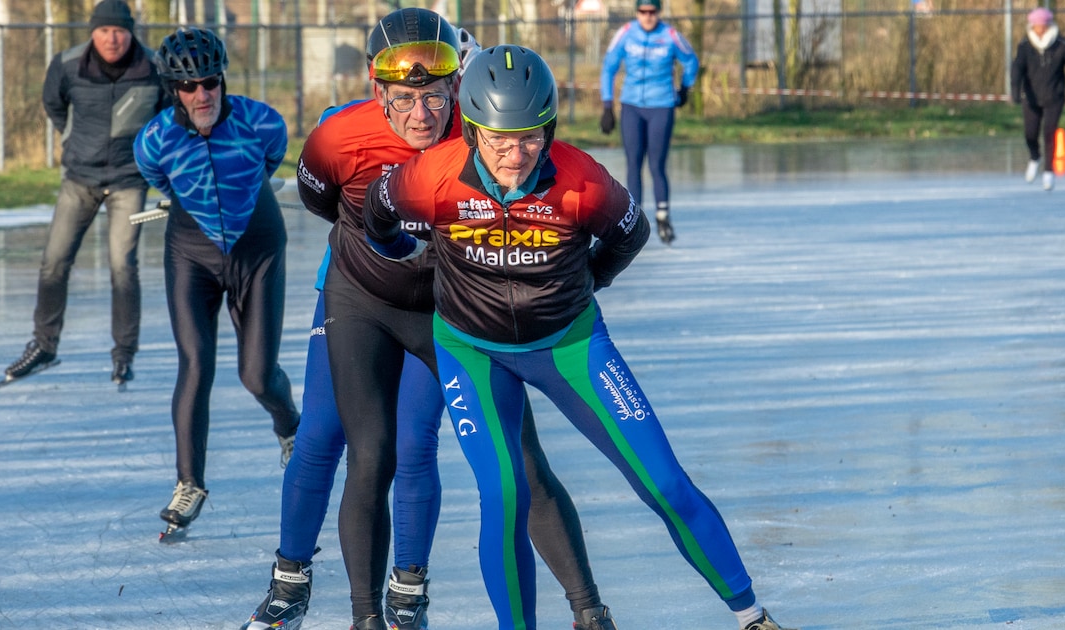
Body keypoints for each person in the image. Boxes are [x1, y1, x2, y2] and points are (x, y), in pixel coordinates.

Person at [363, 45, 795, 630]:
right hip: (472, 350)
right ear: (470, 131)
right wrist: (412, 261)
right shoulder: (430, 176)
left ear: (550, 128)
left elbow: (631, 233)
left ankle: (750, 614)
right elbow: (377, 213)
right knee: (507, 495)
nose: (515, 155)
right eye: (498, 139)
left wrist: (593, 278)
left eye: (531, 138)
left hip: (570, 344)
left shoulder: (581, 179)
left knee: (662, 482)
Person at [244, 11, 614, 630]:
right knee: (323, 438)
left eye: (440, 95)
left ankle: (418, 592)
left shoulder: (482, 141)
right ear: (380, 89)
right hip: (356, 298)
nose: (424, 113)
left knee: (428, 447)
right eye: (407, 97)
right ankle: (290, 579)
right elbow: (321, 201)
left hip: (445, 313)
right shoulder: (343, 133)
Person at [133, 27, 301, 537]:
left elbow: (272, 160)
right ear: (172, 90)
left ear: (222, 79)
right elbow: (160, 180)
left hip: (258, 251)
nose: (201, 94)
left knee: (256, 375)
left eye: (210, 81)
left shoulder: (261, 122)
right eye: (188, 86)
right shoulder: (155, 141)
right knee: (196, 363)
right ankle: (190, 483)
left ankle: (290, 425)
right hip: (192, 253)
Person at [0, 0, 168, 389]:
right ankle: (44, 345)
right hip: (80, 179)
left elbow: (167, 120)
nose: (113, 38)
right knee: (53, 262)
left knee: (123, 266)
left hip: (129, 180)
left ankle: (124, 355)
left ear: (131, 33)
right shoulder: (67, 64)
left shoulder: (154, 68)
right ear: (93, 32)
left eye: (120, 31)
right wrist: (76, 141)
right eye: (105, 30)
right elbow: (54, 105)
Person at [599, 0, 698, 245]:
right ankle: (635, 220)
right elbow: (609, 67)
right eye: (643, 12)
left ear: (658, 13)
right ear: (637, 13)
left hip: (661, 105)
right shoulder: (625, 33)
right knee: (633, 163)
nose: (647, 16)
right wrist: (607, 106)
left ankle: (663, 216)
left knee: (656, 164)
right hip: (632, 105)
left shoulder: (670, 35)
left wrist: (685, 88)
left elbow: (691, 61)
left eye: (652, 12)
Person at [1011, 6, 1065, 191]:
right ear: (1032, 26)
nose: (1040, 29)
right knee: (1030, 134)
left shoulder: (1062, 45)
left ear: (1048, 25)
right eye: (1036, 26)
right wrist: (1015, 90)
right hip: (1031, 98)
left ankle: (1048, 172)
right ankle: (1035, 157)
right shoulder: (1025, 46)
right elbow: (1017, 69)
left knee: (1050, 134)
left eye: (1043, 25)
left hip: (1054, 97)